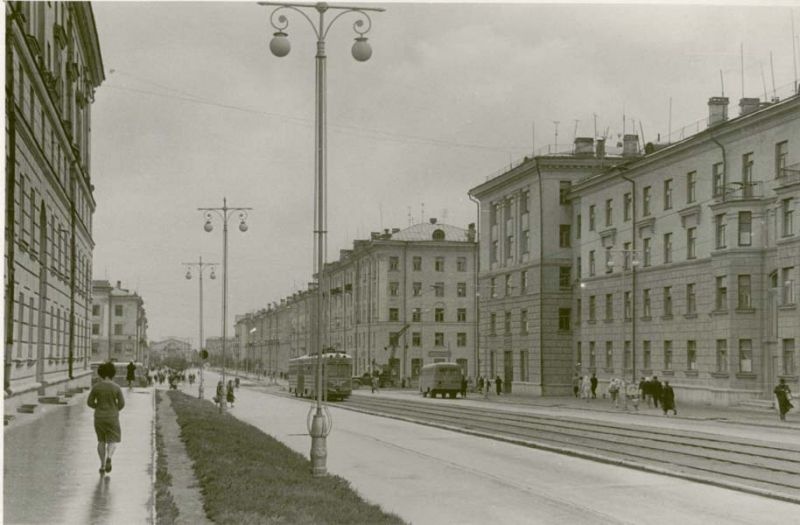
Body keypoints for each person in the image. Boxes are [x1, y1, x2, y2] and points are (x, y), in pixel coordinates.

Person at [87, 362, 125, 476]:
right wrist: (115, 409)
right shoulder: (116, 387)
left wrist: (97, 407)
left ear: (101, 374)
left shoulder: (96, 387)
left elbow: (89, 402)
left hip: (99, 417)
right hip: (112, 416)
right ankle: (109, 457)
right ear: (112, 373)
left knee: (101, 441)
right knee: (112, 440)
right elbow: (122, 404)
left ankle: (102, 465)